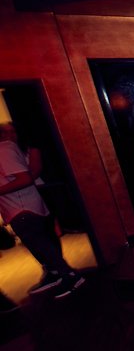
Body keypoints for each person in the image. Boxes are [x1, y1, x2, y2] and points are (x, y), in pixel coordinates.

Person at [0, 124, 85, 298]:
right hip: (17, 207)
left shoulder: (5, 149)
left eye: (12, 131)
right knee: (38, 246)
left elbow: (26, 178)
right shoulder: (7, 149)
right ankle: (55, 274)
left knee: (42, 244)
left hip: (23, 207)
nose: (11, 134)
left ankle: (70, 276)